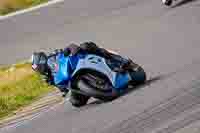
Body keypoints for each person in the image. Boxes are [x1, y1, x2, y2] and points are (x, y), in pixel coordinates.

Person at [31, 42, 113, 97]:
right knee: (75, 102)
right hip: (74, 85)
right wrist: (64, 91)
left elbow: (64, 51)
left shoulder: (52, 57)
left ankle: (110, 57)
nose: (40, 69)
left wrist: (67, 50)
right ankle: (97, 89)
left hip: (75, 64)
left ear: (42, 60)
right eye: (38, 69)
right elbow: (61, 89)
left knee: (85, 46)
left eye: (40, 66)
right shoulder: (48, 78)